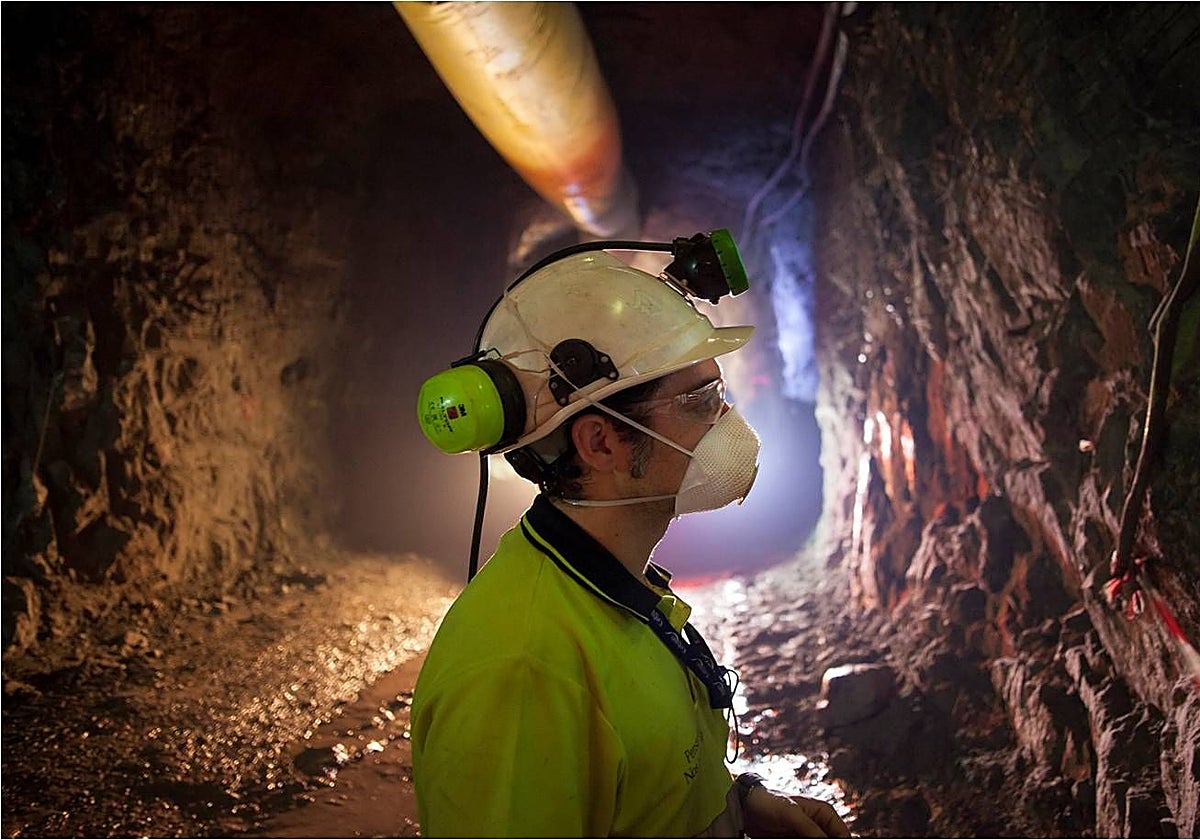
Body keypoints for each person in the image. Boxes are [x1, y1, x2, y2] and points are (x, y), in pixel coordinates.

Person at [412, 239, 850, 838]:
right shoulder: (522, 674)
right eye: (702, 401)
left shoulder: (614, 586)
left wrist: (738, 805)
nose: (729, 421)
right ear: (601, 444)